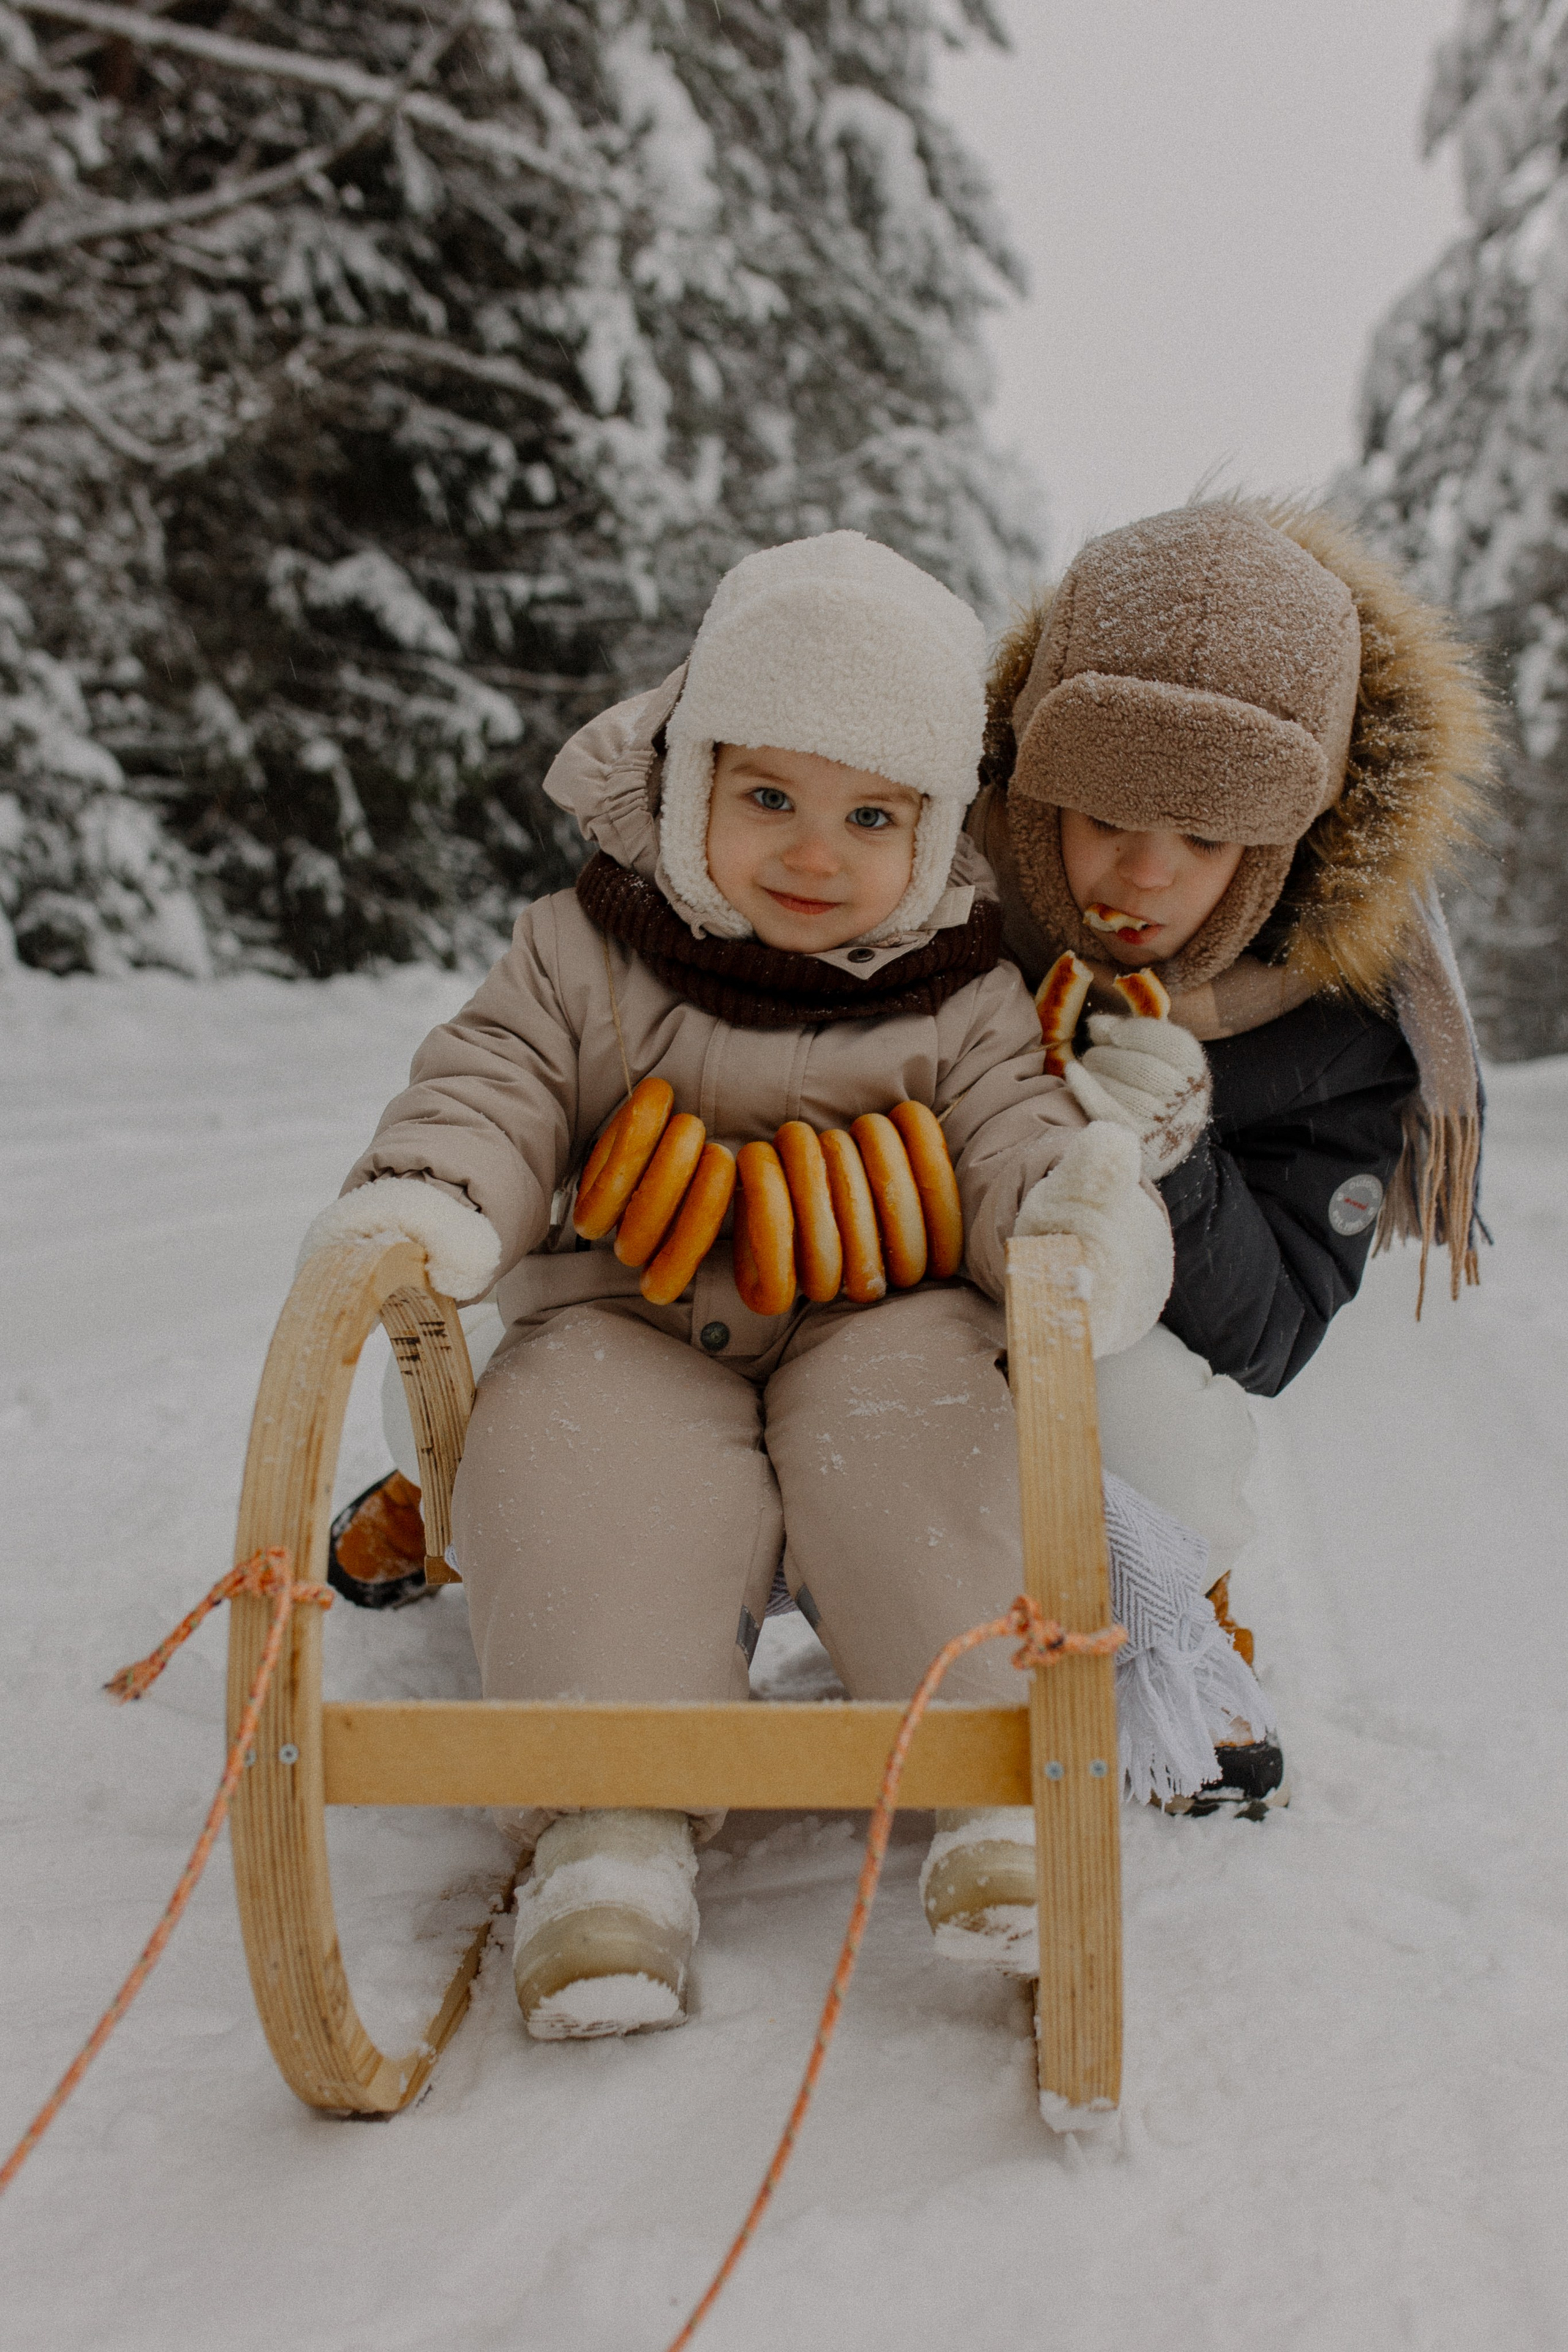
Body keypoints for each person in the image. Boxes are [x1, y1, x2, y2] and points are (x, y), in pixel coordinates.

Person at [298, 530, 1229, 2039]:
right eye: (769, 798)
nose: (814, 852)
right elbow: (494, 1081)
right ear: (690, 785)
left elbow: (1012, 1141)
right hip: (626, 1311)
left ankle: (996, 1788)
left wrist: (1070, 1220)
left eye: (871, 815)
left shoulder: (968, 992)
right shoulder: (581, 951)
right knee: (575, 1461)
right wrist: (437, 1194)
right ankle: (606, 1828)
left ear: (931, 833)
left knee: (933, 1433)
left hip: (881, 1307)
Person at [965, 498, 1493, 1796]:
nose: (1138, 875)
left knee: (1160, 1433)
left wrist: (1176, 1154)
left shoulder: (1338, 1016)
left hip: (1115, 1327)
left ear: (1275, 849)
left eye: (1201, 840)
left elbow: (1271, 1335)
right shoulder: (937, 878)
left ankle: (1169, 1601)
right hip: (879, 1279)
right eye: (1100, 815)